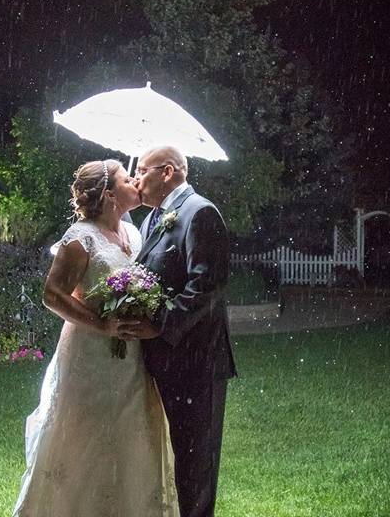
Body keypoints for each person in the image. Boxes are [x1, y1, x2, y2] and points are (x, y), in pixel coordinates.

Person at [13, 159, 180, 517]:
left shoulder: (135, 235)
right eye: (126, 178)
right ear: (108, 194)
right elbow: (53, 295)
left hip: (131, 359)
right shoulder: (80, 238)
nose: (136, 180)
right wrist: (102, 325)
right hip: (89, 354)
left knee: (129, 440)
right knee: (84, 440)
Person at [120, 145, 237, 517]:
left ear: (167, 172)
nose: (137, 178)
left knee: (195, 461)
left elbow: (206, 285)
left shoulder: (199, 212)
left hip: (196, 362)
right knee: (169, 457)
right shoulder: (152, 219)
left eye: (143, 170)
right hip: (162, 361)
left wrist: (159, 324)